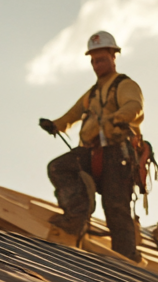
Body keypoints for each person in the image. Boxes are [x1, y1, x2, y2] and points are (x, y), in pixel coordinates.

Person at [38, 31, 145, 261]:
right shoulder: (93, 93)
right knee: (59, 167)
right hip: (93, 152)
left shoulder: (124, 85)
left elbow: (135, 105)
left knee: (116, 208)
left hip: (117, 154)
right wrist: (56, 125)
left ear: (113, 57)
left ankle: (126, 261)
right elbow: (74, 114)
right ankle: (77, 215)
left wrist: (119, 117)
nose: (97, 65)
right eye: (94, 61)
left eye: (102, 59)